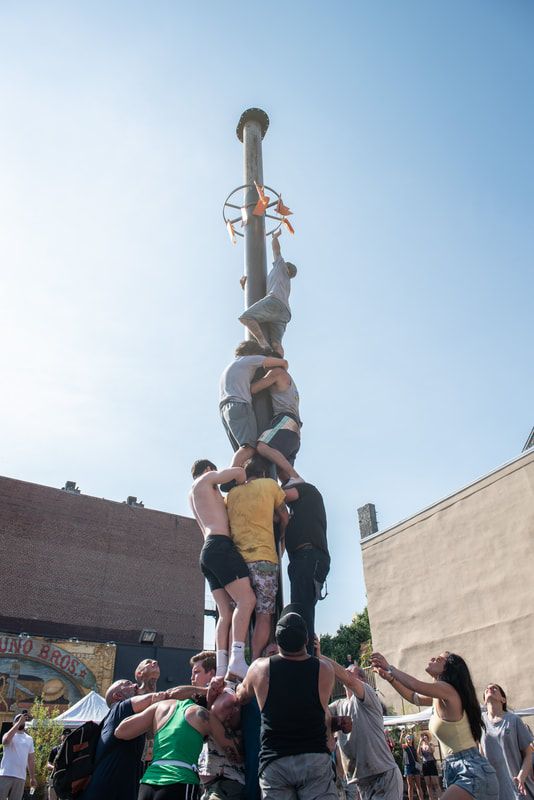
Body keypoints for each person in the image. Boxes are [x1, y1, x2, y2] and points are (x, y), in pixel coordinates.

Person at [230, 604, 338, 799]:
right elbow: (322, 709)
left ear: (278, 641)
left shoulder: (259, 669)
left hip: (275, 761)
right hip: (314, 757)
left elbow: (240, 697)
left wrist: (236, 684)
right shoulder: (325, 670)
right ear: (306, 639)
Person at [372, 651, 499, 800]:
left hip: (471, 770)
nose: (432, 658)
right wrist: (391, 679)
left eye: (439, 659)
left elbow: (415, 685)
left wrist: (389, 667)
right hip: (460, 768)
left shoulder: (448, 691)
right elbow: (414, 697)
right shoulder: (440, 696)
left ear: (448, 669)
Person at [190, 460, 257, 681]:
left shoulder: (194, 496)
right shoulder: (206, 480)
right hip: (220, 546)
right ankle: (237, 660)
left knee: (225, 612)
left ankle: (221, 669)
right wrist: (241, 484)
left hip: (207, 553)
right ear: (209, 470)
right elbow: (238, 472)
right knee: (247, 601)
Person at [80, 678, 200, 800]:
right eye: (128, 684)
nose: (135, 685)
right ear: (118, 696)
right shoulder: (119, 709)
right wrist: (205, 690)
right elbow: (164, 696)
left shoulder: (131, 722)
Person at [115, 693, 242, 800]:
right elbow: (235, 754)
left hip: (148, 783)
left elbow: (121, 731)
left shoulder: (161, 707)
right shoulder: (204, 715)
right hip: (180, 780)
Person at [226, 455, 289, 662]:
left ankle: (234, 660)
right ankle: (254, 660)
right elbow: (284, 516)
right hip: (264, 558)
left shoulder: (232, 494)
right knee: (264, 613)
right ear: (263, 473)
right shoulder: (270, 485)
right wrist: (282, 541)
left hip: (236, 562)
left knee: (239, 613)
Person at [319, 644, 402, 800]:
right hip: (361, 782)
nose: (346, 672)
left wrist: (320, 657)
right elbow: (319, 712)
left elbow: (348, 680)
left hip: (383, 776)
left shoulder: (368, 695)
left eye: (351, 671)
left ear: (363, 680)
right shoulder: (339, 705)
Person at [219, 341, 288, 468]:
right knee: (249, 448)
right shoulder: (249, 360)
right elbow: (282, 363)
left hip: (225, 410)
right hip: (240, 404)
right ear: (253, 353)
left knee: (241, 450)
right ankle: (231, 476)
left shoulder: (231, 366)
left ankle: (240, 479)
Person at [283, 483, 330, 655]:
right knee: (301, 611)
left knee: (302, 612)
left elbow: (277, 494)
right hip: (300, 559)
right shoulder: (294, 515)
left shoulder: (307, 491)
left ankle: (306, 656)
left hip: (308, 556)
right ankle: (307, 653)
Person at [238, 230, 297, 355]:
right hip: (284, 313)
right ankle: (280, 365)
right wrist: (246, 287)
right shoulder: (283, 282)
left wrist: (274, 237)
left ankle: (262, 343)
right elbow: (261, 294)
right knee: (276, 344)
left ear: (286, 267)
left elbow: (276, 250)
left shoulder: (281, 267)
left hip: (274, 303)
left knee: (247, 318)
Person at [251, 365, 303, 485]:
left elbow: (253, 389)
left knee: (263, 446)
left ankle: (295, 476)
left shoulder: (277, 372)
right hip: (295, 430)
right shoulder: (290, 381)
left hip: (285, 419)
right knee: (282, 473)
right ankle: (295, 485)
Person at [482, 683, 534, 799]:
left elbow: (529, 753)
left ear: (503, 699)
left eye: (494, 688)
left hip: (516, 786)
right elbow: (480, 754)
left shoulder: (513, 720)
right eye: (487, 689)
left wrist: (521, 776)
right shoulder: (480, 722)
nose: (490, 689)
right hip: (493, 788)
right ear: (484, 701)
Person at [0, 711, 36, 800]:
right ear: (13, 723)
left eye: (23, 719)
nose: (21, 720)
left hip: (20, 777)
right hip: (6, 774)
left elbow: (30, 759)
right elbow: (5, 741)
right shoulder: (8, 734)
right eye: (18, 719)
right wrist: (19, 723)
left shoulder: (29, 739)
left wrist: (32, 778)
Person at [47, 728, 71, 800]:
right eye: (65, 735)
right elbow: (48, 765)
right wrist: (54, 767)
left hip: (67, 779)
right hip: (55, 778)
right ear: (61, 737)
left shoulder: (72, 750)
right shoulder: (55, 749)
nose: (66, 737)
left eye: (68, 735)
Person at [400, 732, 424, 800]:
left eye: (410, 737)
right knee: (410, 785)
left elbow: (417, 756)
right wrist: (401, 736)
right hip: (408, 766)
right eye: (407, 737)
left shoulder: (414, 747)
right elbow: (400, 744)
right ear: (406, 739)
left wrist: (420, 765)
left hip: (415, 766)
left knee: (418, 785)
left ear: (412, 739)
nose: (409, 738)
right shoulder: (405, 746)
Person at [417, 732, 441, 800]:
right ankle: (431, 798)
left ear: (428, 737)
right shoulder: (421, 746)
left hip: (431, 764)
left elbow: (431, 751)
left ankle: (440, 798)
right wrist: (420, 742)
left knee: (436, 783)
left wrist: (427, 743)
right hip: (425, 764)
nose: (424, 737)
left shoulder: (431, 744)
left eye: (425, 736)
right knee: (428, 784)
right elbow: (419, 754)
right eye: (423, 736)